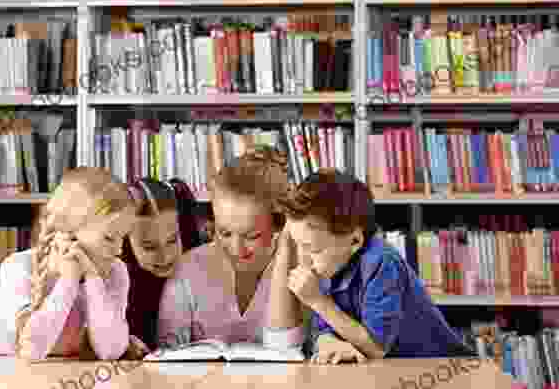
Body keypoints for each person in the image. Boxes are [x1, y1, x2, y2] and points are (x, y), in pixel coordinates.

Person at [276, 168, 476, 364]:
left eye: (313, 249)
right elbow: (323, 330)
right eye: (298, 245)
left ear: (354, 241)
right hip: (388, 372)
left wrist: (317, 301)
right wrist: (332, 344)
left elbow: (375, 348)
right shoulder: (328, 265)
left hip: (442, 370)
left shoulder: (381, 263)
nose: (304, 259)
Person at [0, 167, 138, 361]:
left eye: (123, 238)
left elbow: (110, 351)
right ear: (68, 231)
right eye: (110, 238)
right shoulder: (18, 268)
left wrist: (91, 277)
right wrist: (69, 280)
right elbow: (32, 351)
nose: (119, 250)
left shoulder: (116, 271)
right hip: (7, 372)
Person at [156, 146, 304, 351]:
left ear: (279, 224)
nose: (236, 249)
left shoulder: (300, 268)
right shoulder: (188, 269)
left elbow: (288, 351)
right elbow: (165, 354)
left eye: (252, 236)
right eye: (224, 232)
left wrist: (287, 248)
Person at [121, 177, 203, 355]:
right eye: (149, 247)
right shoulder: (119, 285)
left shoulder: (198, 266)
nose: (165, 256)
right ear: (125, 243)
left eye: (172, 240)